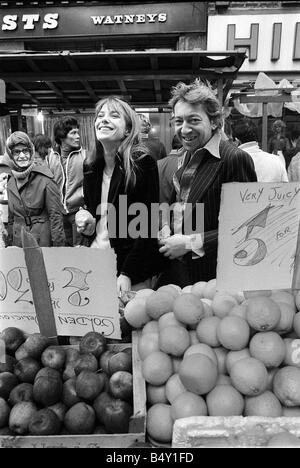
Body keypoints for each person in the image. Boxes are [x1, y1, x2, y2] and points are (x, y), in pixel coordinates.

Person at [157, 79, 257, 287]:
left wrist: (189, 243)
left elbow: (247, 227)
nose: (184, 130)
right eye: (178, 121)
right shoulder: (186, 155)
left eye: (193, 120)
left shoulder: (234, 158)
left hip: (213, 278)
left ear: (213, 122)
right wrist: (167, 227)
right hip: (180, 270)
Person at [75, 96, 160, 296]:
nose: (103, 120)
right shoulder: (90, 166)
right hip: (96, 262)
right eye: (100, 115)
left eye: (114, 116)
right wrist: (86, 218)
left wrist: (127, 273)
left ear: (128, 130)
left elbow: (148, 224)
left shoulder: (142, 163)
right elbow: (97, 215)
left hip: (130, 270)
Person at [3, 131, 65, 247]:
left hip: (42, 242)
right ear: (11, 155)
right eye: (16, 152)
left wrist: (58, 248)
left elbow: (55, 216)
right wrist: (11, 241)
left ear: (31, 151)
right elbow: (11, 218)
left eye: (25, 151)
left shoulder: (45, 179)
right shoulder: (11, 181)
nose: (22, 156)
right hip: (19, 243)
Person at [47, 117, 86, 246]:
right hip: (58, 214)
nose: (78, 136)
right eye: (73, 133)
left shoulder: (85, 157)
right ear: (62, 136)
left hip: (78, 212)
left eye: (77, 132)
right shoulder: (50, 157)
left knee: (81, 252)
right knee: (64, 252)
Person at [233, 118, 288, 182]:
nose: (278, 129)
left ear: (237, 140)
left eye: (279, 127)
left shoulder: (229, 163)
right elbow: (285, 188)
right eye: (276, 127)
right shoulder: (277, 162)